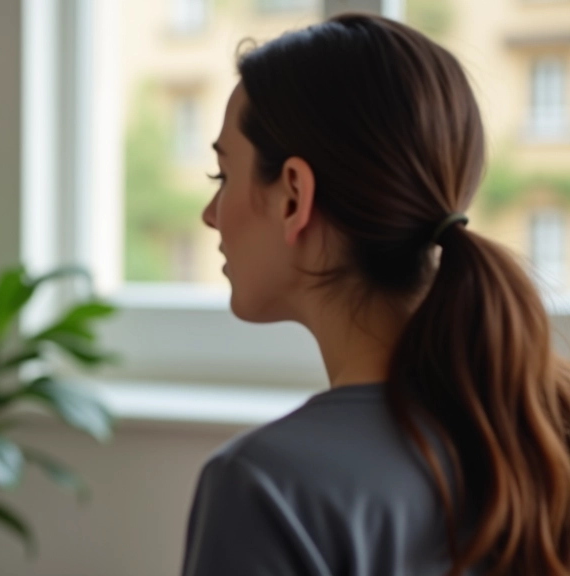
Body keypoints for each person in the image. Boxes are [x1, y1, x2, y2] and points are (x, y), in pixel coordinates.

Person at [184, 13, 570, 576]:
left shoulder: (267, 486)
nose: (210, 214)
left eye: (223, 175)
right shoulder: (545, 430)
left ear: (293, 195)